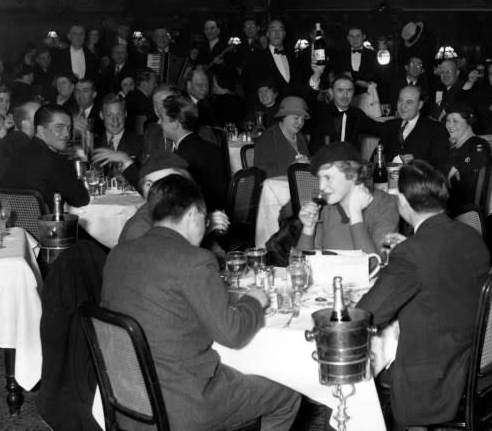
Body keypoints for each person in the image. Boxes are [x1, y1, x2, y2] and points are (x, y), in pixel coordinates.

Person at [102, 174, 301, 430]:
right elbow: (233, 334)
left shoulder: (118, 253)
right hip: (184, 404)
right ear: (194, 214)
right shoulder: (194, 259)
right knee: (287, 395)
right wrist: (254, 300)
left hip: (129, 397)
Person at [357, 159, 489, 428]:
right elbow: (442, 266)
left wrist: (400, 261)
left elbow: (369, 314)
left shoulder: (412, 254)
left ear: (403, 203)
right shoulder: (471, 235)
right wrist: (409, 251)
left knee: (358, 364)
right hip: (476, 358)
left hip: (431, 373)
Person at [296, 142, 399, 254]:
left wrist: (355, 213)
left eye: (328, 177)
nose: (321, 186)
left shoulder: (386, 205)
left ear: (353, 175)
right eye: (319, 178)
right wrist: (308, 227)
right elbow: (302, 263)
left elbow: (375, 265)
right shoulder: (326, 207)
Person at [0, 104, 90, 210]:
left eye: (69, 128)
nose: (67, 134)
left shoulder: (19, 153)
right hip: (47, 225)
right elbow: (81, 199)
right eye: (59, 127)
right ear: (41, 130)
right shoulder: (52, 160)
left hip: (14, 225)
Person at [160, 95, 228, 210]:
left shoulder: (180, 158)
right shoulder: (210, 147)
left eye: (162, 119)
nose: (159, 123)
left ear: (175, 123)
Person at [309, 76, 385, 154]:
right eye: (340, 90)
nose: (345, 95)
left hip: (348, 163)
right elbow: (309, 98)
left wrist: (398, 123)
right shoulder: (320, 111)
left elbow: (381, 129)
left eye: (349, 90)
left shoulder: (357, 114)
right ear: (331, 92)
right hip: (321, 163)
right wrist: (316, 75)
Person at [379, 85, 450, 170]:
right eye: (400, 101)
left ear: (420, 105)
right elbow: (376, 159)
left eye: (409, 102)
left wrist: (417, 163)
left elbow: (442, 167)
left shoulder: (436, 129)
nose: (402, 106)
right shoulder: (389, 126)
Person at [444, 103, 492, 217]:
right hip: (446, 204)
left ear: (468, 122)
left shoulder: (477, 143)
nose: (450, 125)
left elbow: (482, 157)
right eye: (448, 120)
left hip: (463, 210)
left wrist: (455, 167)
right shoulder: (452, 147)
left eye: (455, 121)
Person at [254, 96, 310, 178]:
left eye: (303, 119)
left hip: (299, 184)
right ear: (283, 116)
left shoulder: (300, 136)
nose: (300, 123)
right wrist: (292, 167)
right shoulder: (268, 138)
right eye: (296, 118)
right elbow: (261, 172)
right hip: (274, 187)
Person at [0, 100, 40, 188]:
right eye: (38, 117)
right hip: (20, 198)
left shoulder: (12, 139)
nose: (44, 120)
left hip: (4, 197)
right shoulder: (25, 145)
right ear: (25, 123)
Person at [334, 25, 379, 95]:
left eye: (358, 36)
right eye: (352, 36)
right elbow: (338, 75)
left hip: (367, 96)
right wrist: (361, 81)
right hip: (345, 96)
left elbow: (373, 76)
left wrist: (352, 75)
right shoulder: (340, 55)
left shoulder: (372, 55)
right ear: (348, 38)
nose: (355, 39)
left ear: (364, 37)